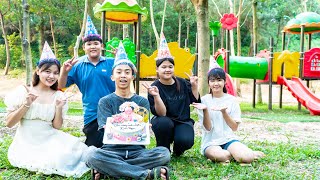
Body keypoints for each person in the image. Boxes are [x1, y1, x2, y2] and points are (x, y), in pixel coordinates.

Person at [84, 42, 171, 180]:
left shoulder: (142, 102)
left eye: (127, 72)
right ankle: (146, 174)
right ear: (112, 77)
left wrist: (144, 128)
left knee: (164, 153)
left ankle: (109, 170)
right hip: (111, 151)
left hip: (138, 152)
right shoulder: (105, 102)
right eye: (119, 72)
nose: (123, 75)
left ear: (132, 76)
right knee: (90, 154)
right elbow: (106, 130)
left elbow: (143, 130)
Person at [4, 42, 89, 177]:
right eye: (47, 71)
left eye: (55, 73)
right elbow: (9, 123)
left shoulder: (58, 95)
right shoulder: (24, 91)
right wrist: (26, 104)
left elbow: (57, 127)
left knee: (79, 151)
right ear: (38, 71)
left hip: (50, 138)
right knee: (55, 161)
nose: (51, 76)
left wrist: (59, 108)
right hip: (27, 144)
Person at [58, 15, 115, 148]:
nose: (93, 46)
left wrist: (121, 61)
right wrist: (64, 71)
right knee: (94, 147)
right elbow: (60, 86)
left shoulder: (112, 63)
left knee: (114, 145)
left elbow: (130, 75)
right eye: (89, 44)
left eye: (96, 43)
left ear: (102, 45)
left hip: (114, 112)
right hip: (91, 114)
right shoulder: (77, 65)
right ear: (84, 47)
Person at [192, 67, 265, 165]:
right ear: (208, 83)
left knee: (247, 158)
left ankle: (243, 154)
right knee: (223, 156)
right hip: (210, 143)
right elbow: (208, 128)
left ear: (224, 81)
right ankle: (231, 155)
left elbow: (234, 127)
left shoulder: (232, 100)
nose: (216, 84)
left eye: (219, 80)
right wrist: (205, 110)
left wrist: (224, 112)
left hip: (229, 140)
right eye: (212, 81)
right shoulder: (204, 101)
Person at [143, 32, 200, 157]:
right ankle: (164, 149)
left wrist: (194, 86)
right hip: (164, 121)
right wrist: (156, 96)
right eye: (163, 67)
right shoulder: (154, 87)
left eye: (170, 66)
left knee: (186, 141)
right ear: (157, 69)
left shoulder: (183, 82)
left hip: (182, 121)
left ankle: (178, 151)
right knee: (163, 123)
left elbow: (195, 101)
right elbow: (161, 114)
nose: (167, 69)